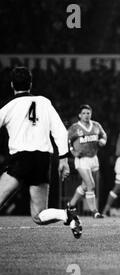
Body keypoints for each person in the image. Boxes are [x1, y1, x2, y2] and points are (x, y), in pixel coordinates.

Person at [0, 67, 82, 238]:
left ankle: (67, 215)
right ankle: (67, 215)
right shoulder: (44, 102)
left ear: (11, 85)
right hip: (42, 159)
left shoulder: (9, 106)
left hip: (21, 159)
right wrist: (64, 159)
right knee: (39, 215)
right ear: (30, 84)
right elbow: (60, 131)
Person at [67, 104, 107, 218]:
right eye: (83, 113)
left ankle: (71, 205)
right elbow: (67, 140)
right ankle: (94, 212)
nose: (86, 115)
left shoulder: (96, 125)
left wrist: (103, 141)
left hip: (94, 158)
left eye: (88, 113)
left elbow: (104, 135)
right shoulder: (75, 127)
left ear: (91, 114)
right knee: (91, 184)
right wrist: (73, 152)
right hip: (81, 160)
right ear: (79, 115)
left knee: (85, 186)